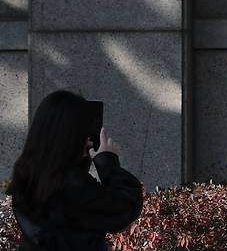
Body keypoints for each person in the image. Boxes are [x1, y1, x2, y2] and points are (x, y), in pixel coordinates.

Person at [7, 90, 143, 250]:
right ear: (70, 135)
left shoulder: (28, 175)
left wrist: (79, 159)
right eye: (84, 130)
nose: (88, 138)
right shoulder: (73, 185)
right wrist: (108, 164)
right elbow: (124, 209)